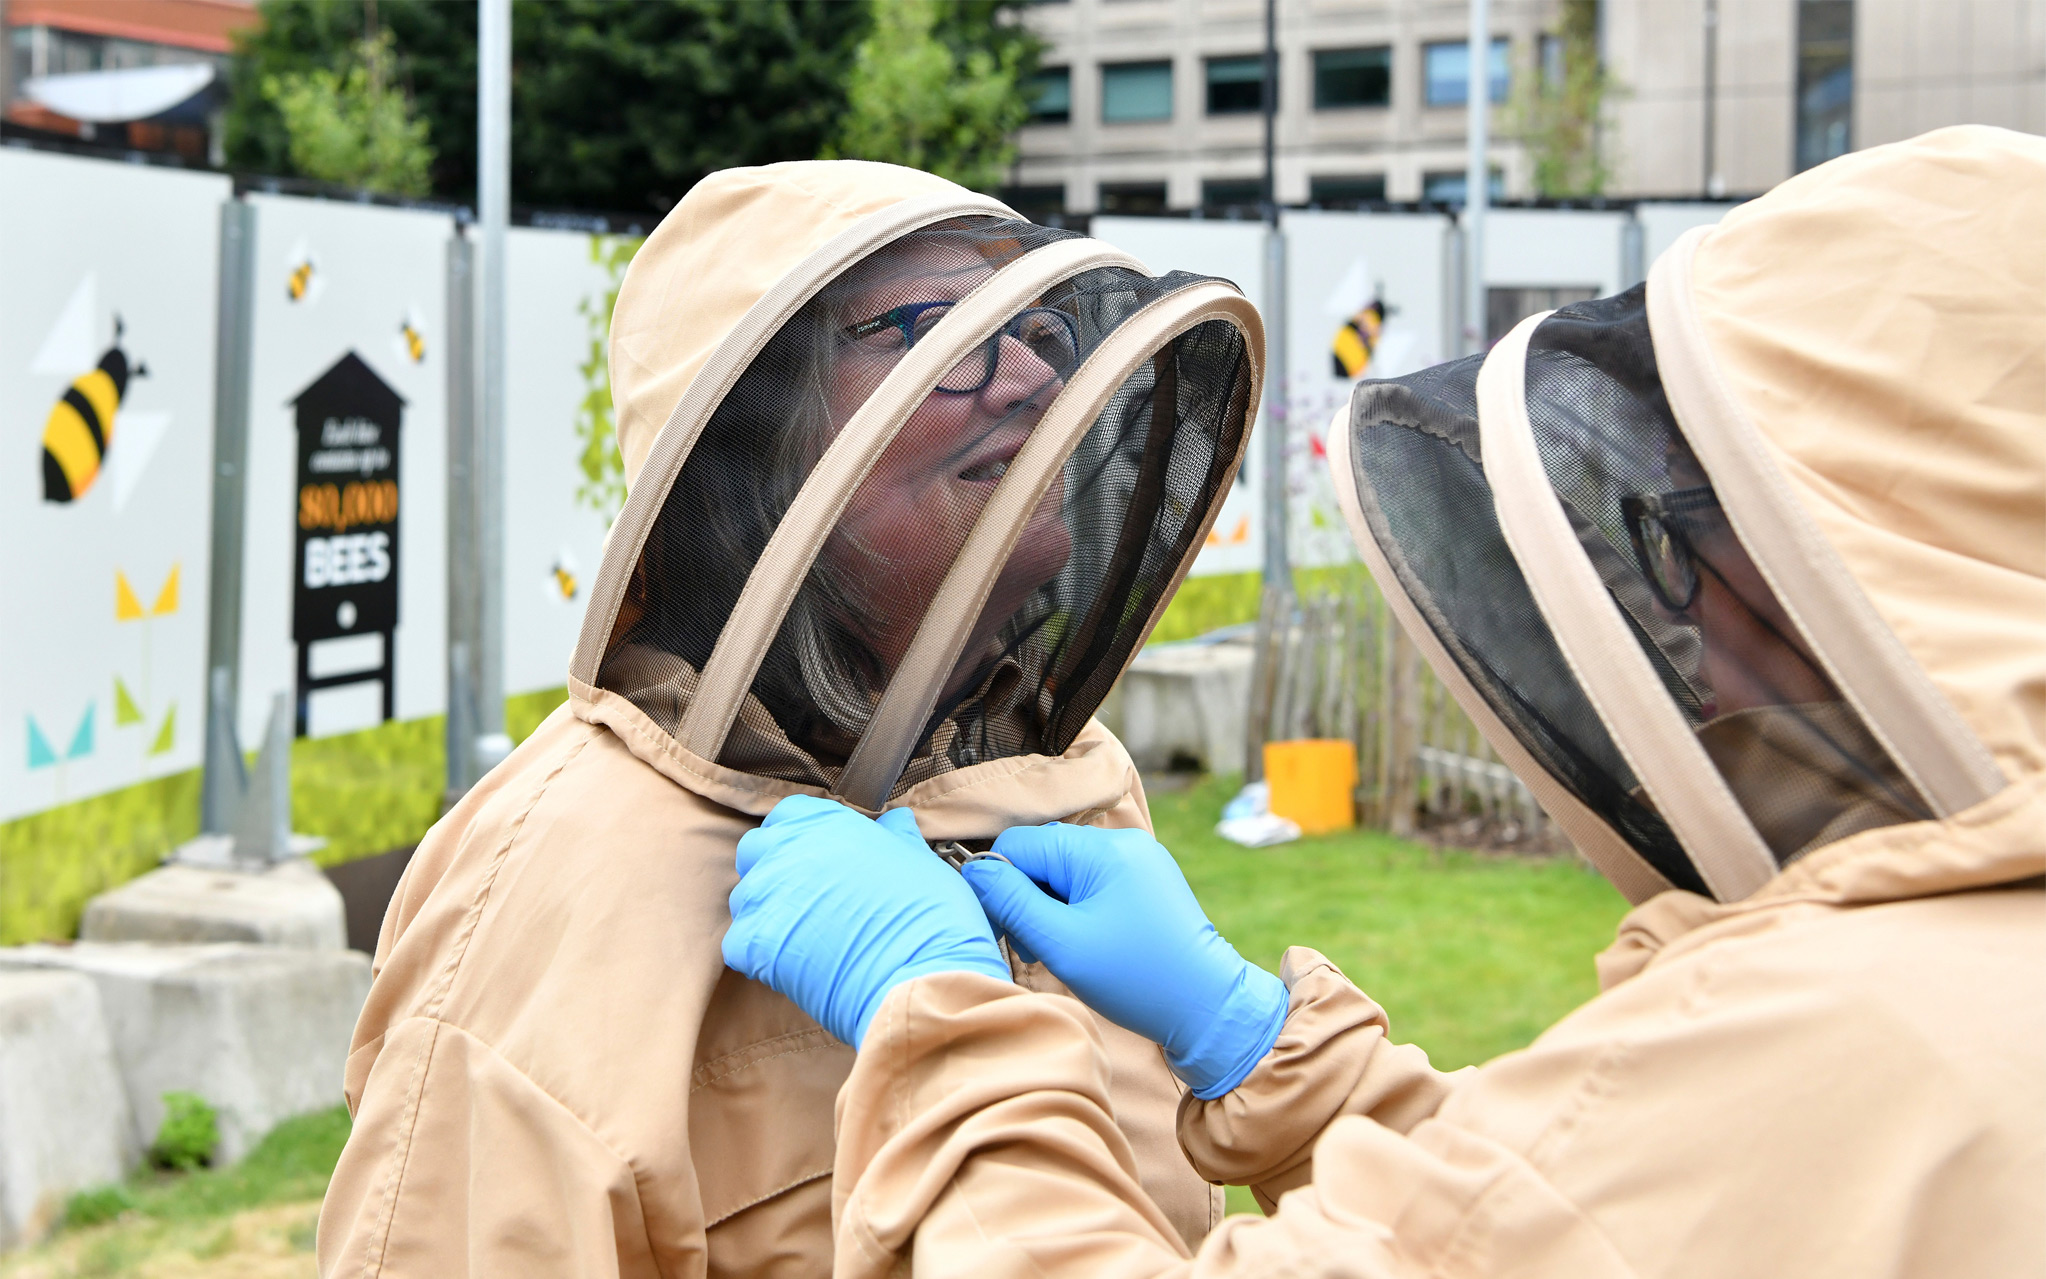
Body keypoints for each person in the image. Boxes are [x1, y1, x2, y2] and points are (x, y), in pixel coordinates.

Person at [723, 126, 2046, 1277]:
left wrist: (937, 1015)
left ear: (1889, 557)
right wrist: (1265, 1046)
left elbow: (1585, 1190)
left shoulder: (1836, 1044)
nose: (1684, 618)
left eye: (1703, 533)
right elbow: (1541, 1222)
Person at [318, 161, 1265, 1276]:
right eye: (934, 330)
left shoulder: (1072, 779)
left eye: (1039, 328)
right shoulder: (556, 873)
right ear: (748, 454)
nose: (1029, 375)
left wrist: (1256, 1039)